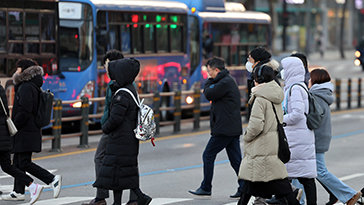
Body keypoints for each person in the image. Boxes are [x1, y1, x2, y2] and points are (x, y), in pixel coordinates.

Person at [84, 50, 151, 205]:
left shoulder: (121, 89)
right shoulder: (123, 84)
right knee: (126, 165)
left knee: (107, 162)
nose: (106, 68)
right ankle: (135, 197)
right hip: (124, 135)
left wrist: (105, 127)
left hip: (118, 134)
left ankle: (103, 197)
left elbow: (116, 116)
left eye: (108, 65)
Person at [237, 65, 300, 205]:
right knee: (252, 186)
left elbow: (256, 125)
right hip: (272, 146)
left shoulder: (260, 99)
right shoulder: (275, 95)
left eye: (254, 79)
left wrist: (247, 136)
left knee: (254, 184)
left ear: (258, 80)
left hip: (261, 148)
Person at [1, 59, 62, 201]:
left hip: (25, 131)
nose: (16, 71)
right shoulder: (32, 85)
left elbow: (24, 110)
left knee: (24, 162)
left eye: (18, 68)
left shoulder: (27, 87)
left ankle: (52, 179)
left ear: (23, 70)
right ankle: (18, 192)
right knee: (18, 161)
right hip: (29, 130)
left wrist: (14, 126)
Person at [188, 57, 244, 198]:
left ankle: (206, 187)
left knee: (208, 155)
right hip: (230, 127)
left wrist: (209, 82)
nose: (208, 75)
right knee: (236, 160)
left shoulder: (224, 82)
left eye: (210, 71)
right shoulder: (225, 80)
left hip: (224, 128)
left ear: (217, 70)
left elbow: (208, 93)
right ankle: (244, 187)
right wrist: (212, 82)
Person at [309, 68, 362, 205]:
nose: (308, 81)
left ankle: (349, 194)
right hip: (320, 138)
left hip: (316, 139)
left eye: (310, 78)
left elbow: (314, 120)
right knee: (303, 171)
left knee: (319, 171)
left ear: (315, 80)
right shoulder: (322, 94)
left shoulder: (316, 95)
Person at [281, 56, 317, 205]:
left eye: (285, 68)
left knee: (293, 176)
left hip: (297, 138)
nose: (282, 72)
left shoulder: (295, 88)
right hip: (298, 137)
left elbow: (297, 113)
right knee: (304, 176)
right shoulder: (296, 86)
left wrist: (281, 119)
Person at [0, 83, 43, 204]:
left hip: (2, 135)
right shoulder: (1, 89)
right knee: (7, 166)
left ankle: (33, 185)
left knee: (8, 166)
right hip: (4, 135)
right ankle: (32, 185)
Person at [245, 47, 279, 120]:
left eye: (250, 59)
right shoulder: (266, 74)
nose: (248, 61)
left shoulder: (262, 76)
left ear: (257, 61)